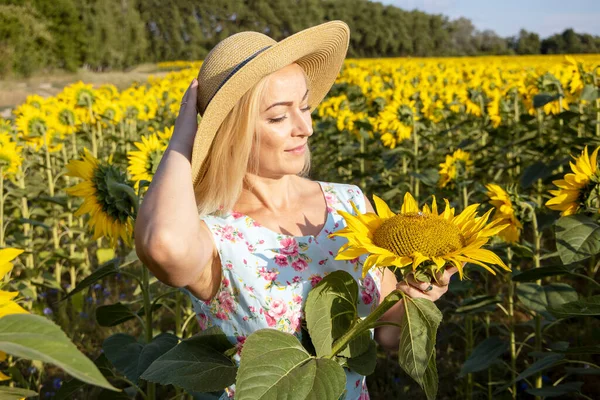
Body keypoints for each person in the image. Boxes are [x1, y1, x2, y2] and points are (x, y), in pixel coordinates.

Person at [135, 20, 458, 399]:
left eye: (305, 107)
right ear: (232, 132)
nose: (305, 127)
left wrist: (421, 295)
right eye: (278, 116)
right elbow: (162, 245)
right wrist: (184, 137)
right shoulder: (214, 234)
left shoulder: (349, 204)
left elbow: (386, 328)